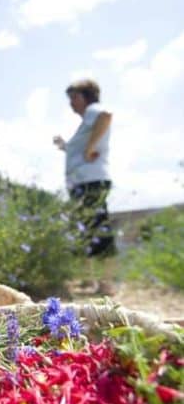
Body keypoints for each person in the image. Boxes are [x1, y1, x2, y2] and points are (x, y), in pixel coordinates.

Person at [53, 79, 116, 293]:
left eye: (74, 97)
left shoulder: (94, 110)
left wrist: (89, 148)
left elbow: (106, 116)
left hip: (91, 181)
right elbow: (78, 151)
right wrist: (66, 146)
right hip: (81, 181)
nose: (71, 102)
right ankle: (91, 281)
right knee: (87, 230)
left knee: (98, 227)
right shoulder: (85, 122)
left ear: (87, 96)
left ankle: (106, 283)